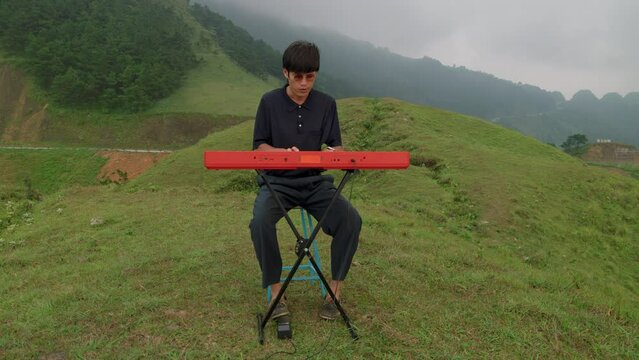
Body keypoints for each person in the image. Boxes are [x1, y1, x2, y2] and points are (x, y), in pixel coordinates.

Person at [249, 40, 362, 321]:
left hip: (314, 184)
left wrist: (333, 154)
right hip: (278, 183)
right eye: (297, 76)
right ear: (285, 73)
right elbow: (259, 147)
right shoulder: (269, 102)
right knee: (260, 221)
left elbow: (337, 146)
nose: (303, 83)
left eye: (309, 77)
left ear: (316, 74)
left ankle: (334, 291)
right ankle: (276, 292)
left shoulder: (326, 104)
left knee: (351, 220)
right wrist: (283, 154)